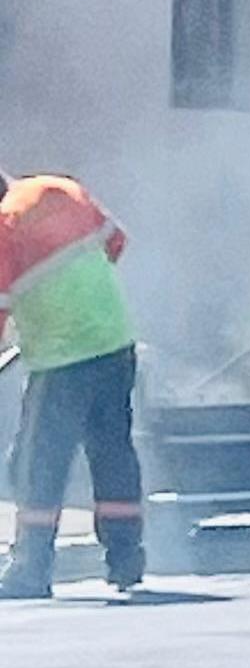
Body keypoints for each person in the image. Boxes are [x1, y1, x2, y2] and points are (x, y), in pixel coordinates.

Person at [0, 172, 143, 598]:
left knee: (37, 462)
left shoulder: (3, 229)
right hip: (115, 341)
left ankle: (30, 568)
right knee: (112, 451)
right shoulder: (60, 189)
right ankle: (126, 558)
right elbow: (116, 243)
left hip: (63, 359)